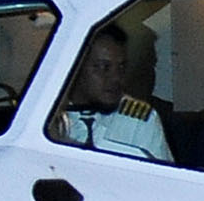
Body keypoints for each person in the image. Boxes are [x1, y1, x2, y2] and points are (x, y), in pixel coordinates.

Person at [49, 20, 174, 162]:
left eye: (121, 67)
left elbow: (161, 180)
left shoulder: (139, 120)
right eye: (103, 67)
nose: (116, 78)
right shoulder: (49, 118)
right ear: (75, 66)